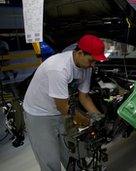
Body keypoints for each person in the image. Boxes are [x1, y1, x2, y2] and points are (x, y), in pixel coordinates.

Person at [23, 34, 106, 171]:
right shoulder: (59, 68)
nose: (93, 65)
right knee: (50, 160)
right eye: (91, 60)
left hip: (62, 109)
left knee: (72, 154)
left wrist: (98, 116)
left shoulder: (85, 67)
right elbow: (62, 107)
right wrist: (86, 121)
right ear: (79, 53)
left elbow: (83, 97)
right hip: (39, 114)